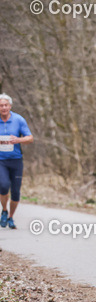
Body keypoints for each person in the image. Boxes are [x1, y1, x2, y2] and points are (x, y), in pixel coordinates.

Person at [0, 93, 33, 230]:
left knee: (15, 192)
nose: (3, 107)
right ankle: (4, 210)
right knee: (3, 185)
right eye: (1, 105)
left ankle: (11, 217)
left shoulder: (19, 120)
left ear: (10, 106)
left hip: (16, 160)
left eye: (5, 105)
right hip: (1, 160)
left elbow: (30, 138)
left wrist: (18, 140)